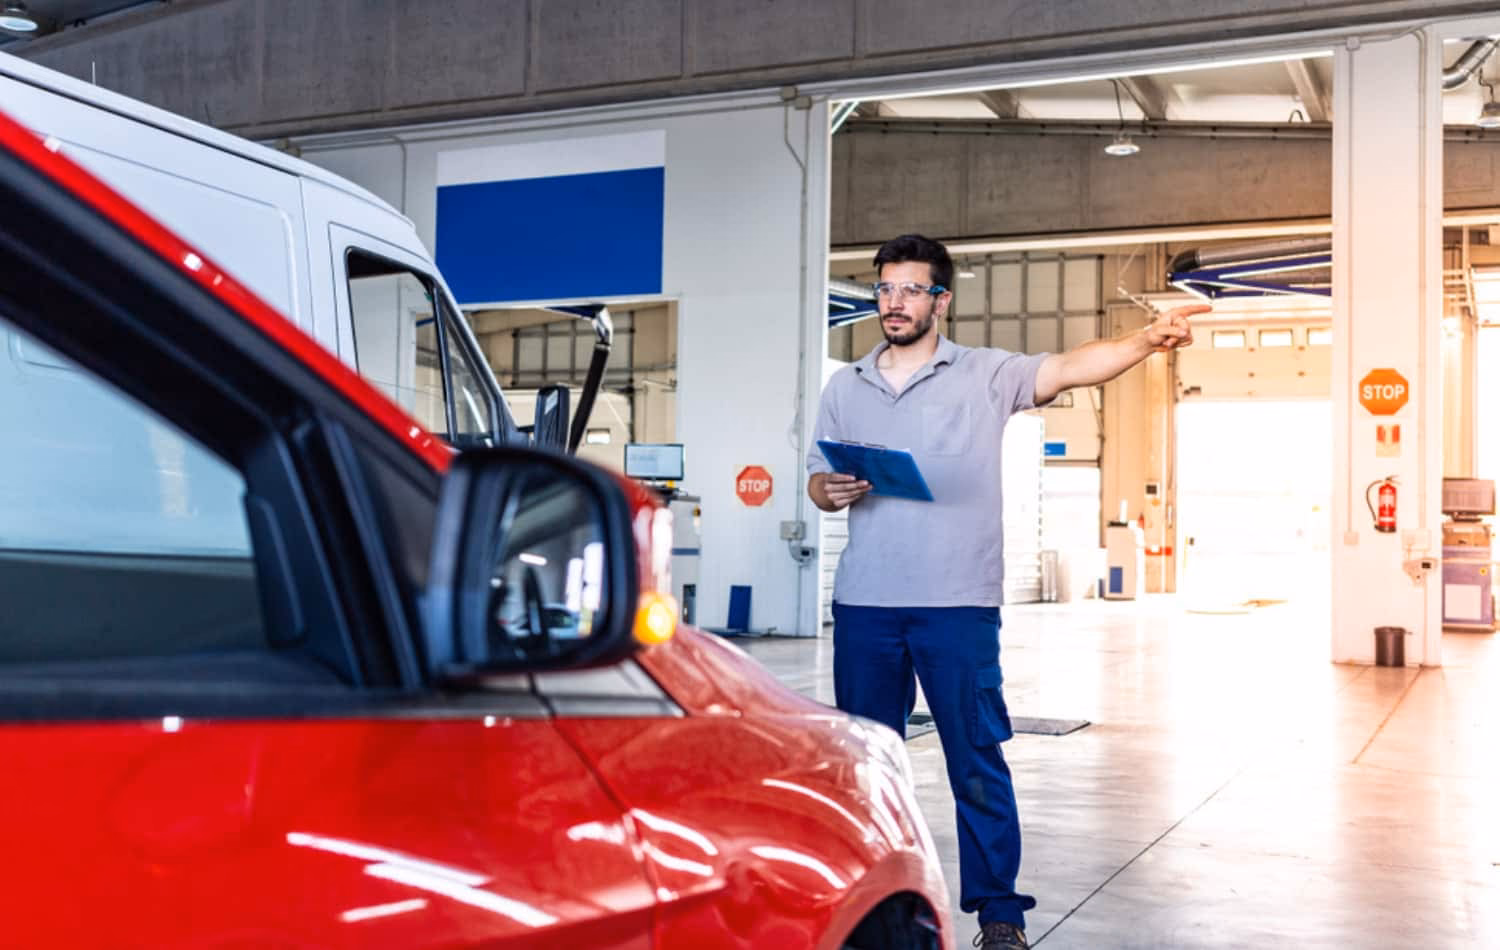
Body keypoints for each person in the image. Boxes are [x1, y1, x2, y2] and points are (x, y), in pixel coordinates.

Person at [806, 234, 1204, 950]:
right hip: (865, 604)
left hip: (957, 604)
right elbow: (818, 479)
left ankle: (999, 916)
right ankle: (875, 908)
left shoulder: (986, 375)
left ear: (941, 300)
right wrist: (827, 490)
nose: (893, 304)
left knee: (976, 757)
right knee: (869, 767)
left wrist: (1146, 340)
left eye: (909, 290)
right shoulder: (845, 386)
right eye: (885, 290)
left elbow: (1072, 366)